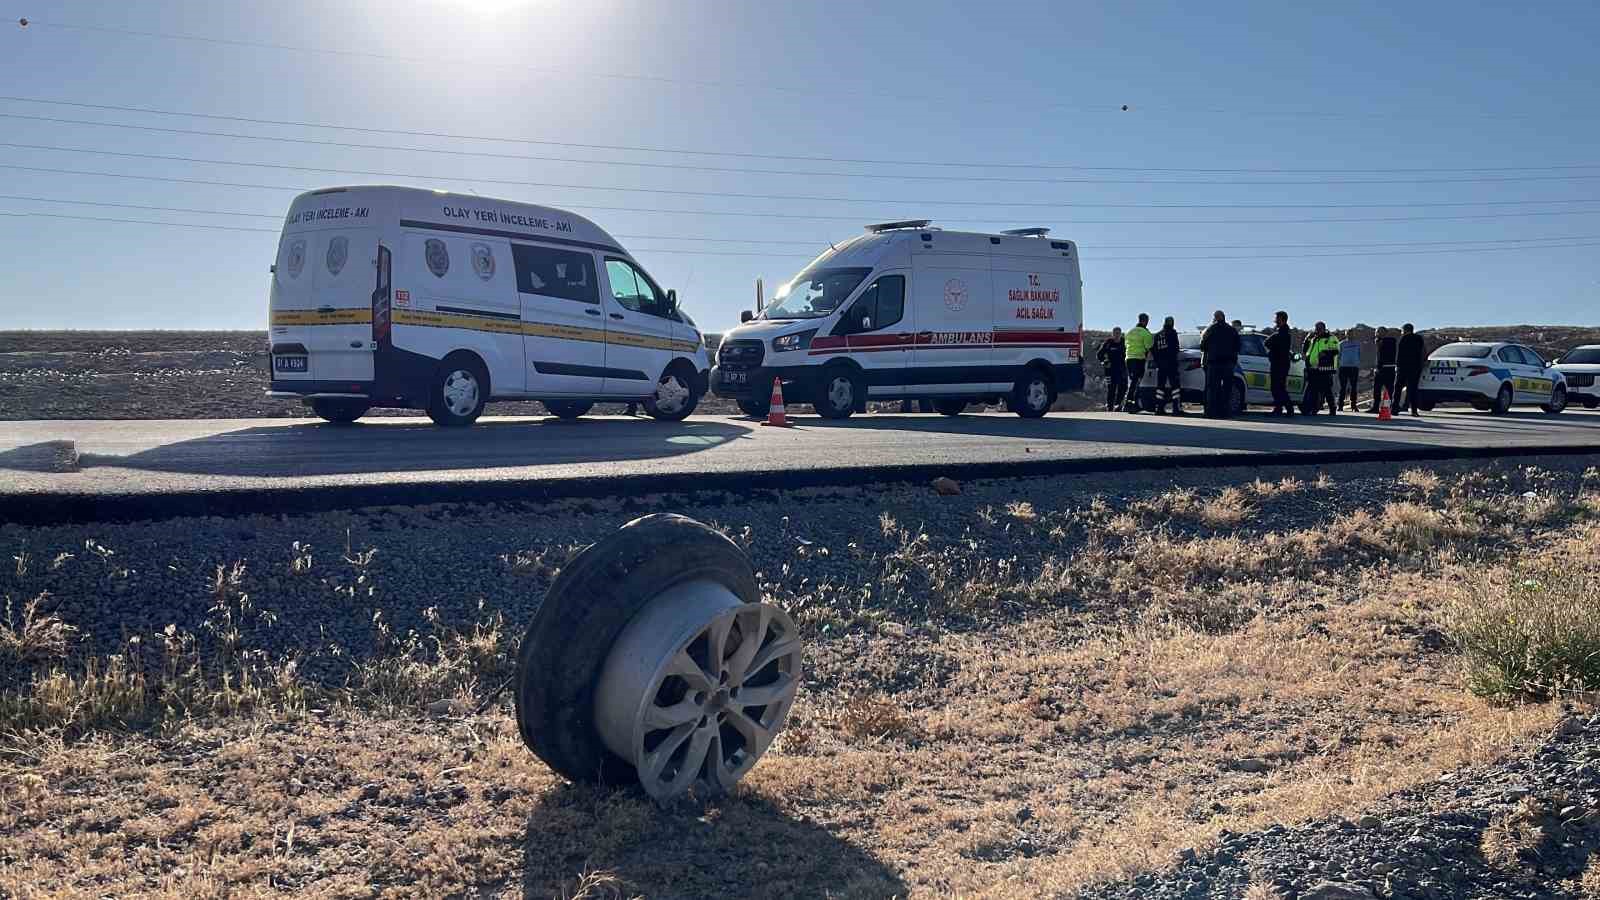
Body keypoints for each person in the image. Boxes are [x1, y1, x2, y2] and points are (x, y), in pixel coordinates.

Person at [1199, 311, 1240, 418]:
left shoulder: (1211, 329)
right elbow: (1238, 346)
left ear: (1216, 318)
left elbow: (1203, 346)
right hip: (1228, 364)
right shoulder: (1232, 330)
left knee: (1212, 388)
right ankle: (1225, 412)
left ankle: (1210, 412)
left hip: (1214, 363)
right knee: (1227, 389)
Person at [1301, 321, 1340, 416]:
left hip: (1325, 367)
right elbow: (1306, 351)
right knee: (1313, 388)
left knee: (1326, 389)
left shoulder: (1331, 337)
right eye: (1316, 329)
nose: (1317, 331)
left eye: (1319, 329)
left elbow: (1336, 350)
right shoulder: (1314, 339)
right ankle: (1313, 409)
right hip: (1313, 368)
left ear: (1324, 328)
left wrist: (1325, 353)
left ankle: (1332, 408)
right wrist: (1307, 339)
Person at [1265, 310, 1294, 416]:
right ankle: (1280, 408)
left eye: (1277, 319)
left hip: (1280, 363)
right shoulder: (1281, 332)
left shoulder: (1283, 333)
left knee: (1278, 387)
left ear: (1282, 320)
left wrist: (1273, 345)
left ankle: (1286, 409)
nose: (1275, 321)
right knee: (1278, 387)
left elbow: (1267, 342)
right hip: (1280, 363)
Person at [1152, 315, 1183, 415]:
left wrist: (1158, 360)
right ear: (1172, 323)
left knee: (1160, 387)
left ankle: (1159, 408)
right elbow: (1176, 348)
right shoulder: (1172, 333)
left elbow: (1154, 350)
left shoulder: (1157, 335)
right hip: (1171, 363)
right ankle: (1176, 409)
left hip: (1160, 365)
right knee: (1175, 387)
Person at [1124, 314, 1154, 413]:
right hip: (1139, 359)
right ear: (1146, 321)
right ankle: (1129, 404)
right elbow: (1149, 346)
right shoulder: (1145, 333)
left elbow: (1126, 344)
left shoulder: (1129, 332)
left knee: (1133, 381)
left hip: (1129, 359)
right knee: (1136, 382)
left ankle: (1131, 403)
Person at [1396, 323, 1426, 417]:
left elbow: (1400, 354)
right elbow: (1423, 352)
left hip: (1404, 367)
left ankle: (1395, 408)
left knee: (1398, 388)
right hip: (1416, 367)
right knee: (1413, 389)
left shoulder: (1403, 339)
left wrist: (1398, 366)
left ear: (1405, 330)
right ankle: (1414, 411)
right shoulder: (1419, 339)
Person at [1097, 327, 1128, 412]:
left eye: (1118, 333)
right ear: (1112, 334)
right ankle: (1110, 407)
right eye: (1115, 333)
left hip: (1122, 369)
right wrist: (1104, 362)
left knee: (1123, 387)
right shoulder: (1108, 343)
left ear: (1121, 334)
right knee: (1111, 388)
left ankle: (1118, 405)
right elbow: (1099, 354)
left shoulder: (1124, 342)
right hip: (1110, 370)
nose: (1117, 335)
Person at [1373, 327, 1398, 414]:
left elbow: (1382, 344)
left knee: (1389, 390)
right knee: (1377, 389)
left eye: (1378, 332)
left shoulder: (1391, 340)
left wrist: (1379, 340)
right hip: (1380, 368)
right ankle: (1375, 407)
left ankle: (1389, 407)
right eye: (1376, 332)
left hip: (1388, 368)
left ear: (1384, 332)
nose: (1376, 334)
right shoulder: (1379, 341)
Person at [1337, 331, 1363, 411]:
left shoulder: (1358, 344)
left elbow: (1359, 354)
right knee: (1342, 387)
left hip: (1354, 367)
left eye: (1351, 333)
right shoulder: (1341, 344)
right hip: (1343, 367)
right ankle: (1340, 405)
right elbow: (1338, 355)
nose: (1350, 335)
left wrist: (1357, 363)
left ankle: (1353, 405)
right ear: (1345, 334)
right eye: (1348, 333)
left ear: (1354, 334)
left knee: (1354, 387)